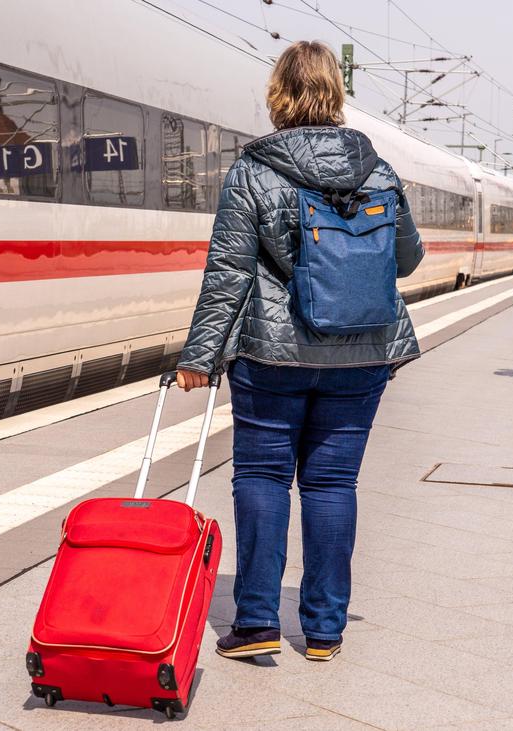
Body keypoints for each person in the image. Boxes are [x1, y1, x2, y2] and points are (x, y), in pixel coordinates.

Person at [174, 40, 423, 663]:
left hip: (273, 356)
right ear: (337, 94)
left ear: (278, 95)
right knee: (333, 484)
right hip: (362, 354)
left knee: (262, 478)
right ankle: (323, 631)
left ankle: (256, 619)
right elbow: (408, 259)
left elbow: (228, 273)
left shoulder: (254, 171)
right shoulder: (379, 172)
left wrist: (199, 358)